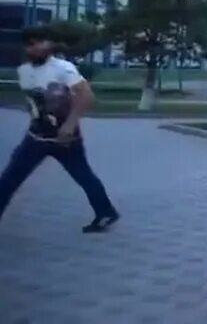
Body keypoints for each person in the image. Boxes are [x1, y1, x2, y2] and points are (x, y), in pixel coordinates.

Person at [0, 25, 120, 232]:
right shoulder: (24, 71)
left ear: (50, 44)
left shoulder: (63, 68)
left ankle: (106, 212)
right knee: (11, 177)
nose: (38, 47)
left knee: (84, 176)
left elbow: (87, 96)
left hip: (65, 140)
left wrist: (70, 124)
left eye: (43, 41)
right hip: (35, 138)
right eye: (32, 43)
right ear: (26, 47)